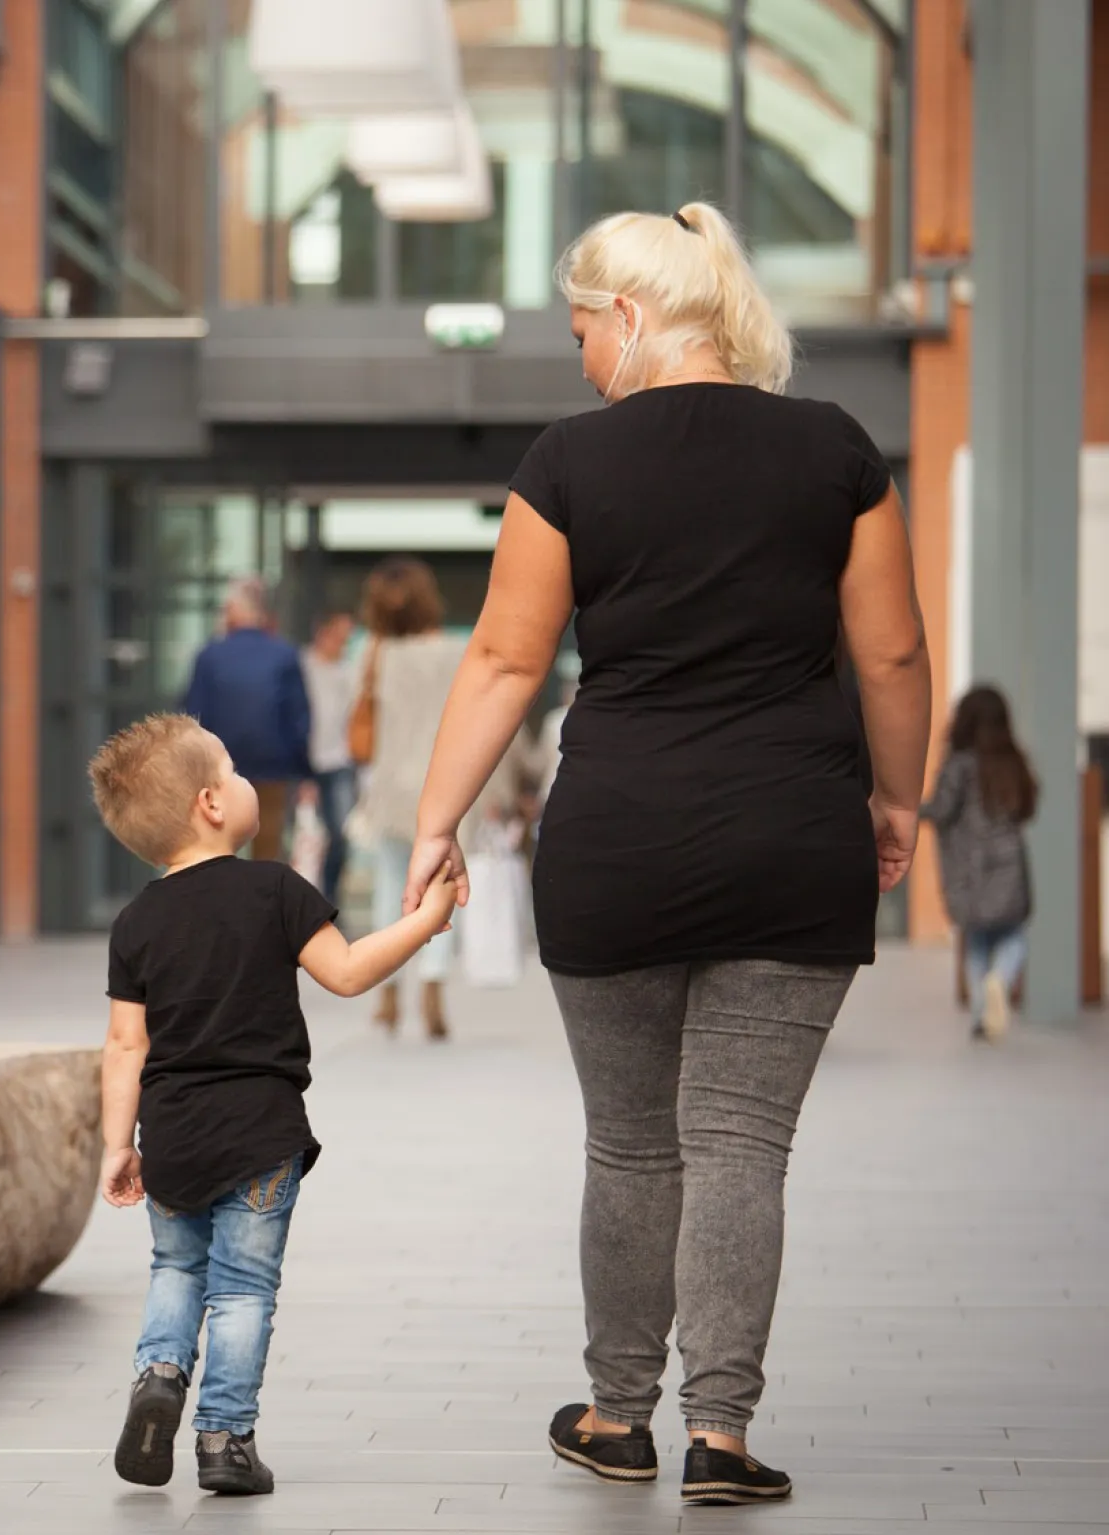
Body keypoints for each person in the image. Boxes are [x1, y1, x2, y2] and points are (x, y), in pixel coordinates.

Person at [403, 203, 930, 1506]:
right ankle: (722, 1433)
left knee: (633, 1145)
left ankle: (616, 1411)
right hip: (793, 834)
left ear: (630, 318)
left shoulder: (571, 461)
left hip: (618, 841)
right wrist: (899, 798)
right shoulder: (837, 450)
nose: (582, 358)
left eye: (583, 329)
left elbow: (506, 659)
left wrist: (434, 819)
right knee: (741, 1142)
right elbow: (894, 652)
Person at [89, 713, 457, 1495]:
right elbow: (350, 971)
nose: (248, 779)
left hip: (174, 1137)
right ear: (210, 804)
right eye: (233, 769)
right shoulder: (275, 890)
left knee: (175, 1266)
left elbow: (126, 1045)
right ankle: (223, 1438)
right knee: (243, 1289)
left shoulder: (136, 922)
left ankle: (158, 1371)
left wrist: (117, 1144)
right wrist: (426, 922)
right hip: (259, 1134)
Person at [349, 557, 487, 1039]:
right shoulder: (456, 650)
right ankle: (432, 984)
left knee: (391, 884)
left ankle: (387, 989)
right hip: (444, 785)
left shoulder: (373, 653)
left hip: (389, 787)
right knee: (440, 888)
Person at [923, 686, 1036, 1042]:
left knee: (975, 941)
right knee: (1014, 936)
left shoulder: (958, 765)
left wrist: (907, 810)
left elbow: (941, 810)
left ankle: (979, 1017)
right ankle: (1000, 980)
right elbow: (1026, 808)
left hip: (969, 871)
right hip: (1009, 866)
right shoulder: (1012, 760)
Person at [178, 576, 312, 861]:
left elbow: (193, 714)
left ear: (231, 611)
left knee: (218, 845)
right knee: (269, 845)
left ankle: (224, 903)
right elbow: (299, 719)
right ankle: (265, 903)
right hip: (273, 767)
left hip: (218, 769)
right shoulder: (284, 655)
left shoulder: (210, 656)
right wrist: (303, 771)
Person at [300, 610, 362, 905]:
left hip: (340, 763)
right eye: (339, 635)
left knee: (339, 836)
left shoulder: (349, 673)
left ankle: (328, 900)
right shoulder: (301, 666)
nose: (343, 642)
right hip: (303, 763)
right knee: (302, 835)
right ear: (321, 632)